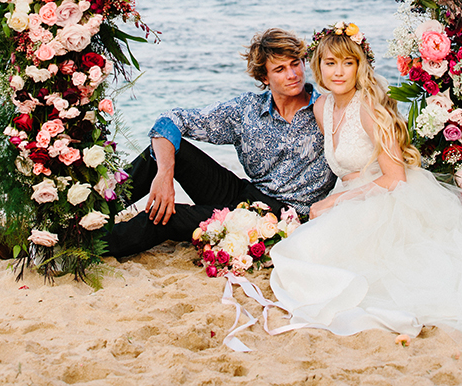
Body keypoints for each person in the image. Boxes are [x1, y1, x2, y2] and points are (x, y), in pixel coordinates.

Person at [269, 21, 462, 345]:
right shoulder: (322, 107)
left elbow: (394, 177)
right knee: (304, 252)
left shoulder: (370, 107)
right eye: (330, 63)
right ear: (318, 66)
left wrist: (334, 202)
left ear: (359, 66)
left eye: (347, 62)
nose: (338, 72)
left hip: (385, 194)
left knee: (318, 259)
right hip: (351, 194)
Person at [107, 28, 336, 258]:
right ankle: (92, 214)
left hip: (278, 218)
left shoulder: (328, 110)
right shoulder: (246, 110)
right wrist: (165, 174)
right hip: (244, 193)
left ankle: (89, 247)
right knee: (164, 151)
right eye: (280, 69)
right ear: (264, 78)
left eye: (295, 64)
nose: (292, 74)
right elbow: (170, 121)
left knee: (164, 217)